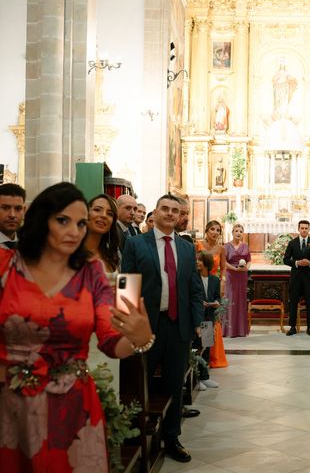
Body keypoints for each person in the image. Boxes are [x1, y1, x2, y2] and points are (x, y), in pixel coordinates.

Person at [0, 182, 153, 471]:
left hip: (70, 404)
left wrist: (139, 338)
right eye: (63, 220)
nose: (74, 231)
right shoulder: (6, 265)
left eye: (80, 223)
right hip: (11, 401)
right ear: (39, 218)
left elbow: (110, 341)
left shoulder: (90, 271)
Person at [121, 193, 205, 463]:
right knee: (139, 383)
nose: (170, 214)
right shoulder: (135, 243)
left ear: (180, 216)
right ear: (155, 212)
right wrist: (127, 324)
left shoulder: (186, 248)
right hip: (146, 326)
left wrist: (195, 323)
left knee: (173, 384)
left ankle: (172, 436)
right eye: (165, 209)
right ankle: (135, 435)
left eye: (175, 210)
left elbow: (194, 288)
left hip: (177, 326)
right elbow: (127, 284)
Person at [196, 220, 228, 367]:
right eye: (212, 229)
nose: (215, 232)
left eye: (218, 230)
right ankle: (198, 359)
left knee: (211, 320)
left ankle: (210, 358)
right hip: (198, 283)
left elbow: (223, 269)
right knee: (199, 319)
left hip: (213, 285)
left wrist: (222, 284)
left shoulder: (221, 249)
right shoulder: (198, 245)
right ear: (206, 230)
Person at [283, 220, 310, 336]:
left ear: (309, 229)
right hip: (296, 276)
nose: (304, 230)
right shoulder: (292, 243)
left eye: (306, 228)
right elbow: (285, 259)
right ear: (298, 229)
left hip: (309, 277)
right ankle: (292, 327)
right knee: (293, 302)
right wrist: (296, 262)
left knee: (309, 302)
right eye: (302, 228)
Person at [195, 251, 221, 389]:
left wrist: (216, 302)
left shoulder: (214, 280)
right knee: (197, 348)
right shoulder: (193, 278)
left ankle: (205, 377)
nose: (197, 262)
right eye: (196, 260)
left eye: (200, 260)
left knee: (206, 347)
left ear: (206, 262)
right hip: (197, 317)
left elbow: (218, 297)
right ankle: (196, 379)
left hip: (208, 316)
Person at [223, 223, 251, 337]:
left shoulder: (245, 246)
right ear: (232, 232)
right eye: (236, 231)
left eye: (240, 231)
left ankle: (240, 330)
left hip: (242, 276)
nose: (238, 233)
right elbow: (223, 262)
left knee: (240, 300)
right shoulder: (226, 246)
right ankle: (228, 330)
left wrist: (246, 268)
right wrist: (234, 268)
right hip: (231, 275)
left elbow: (249, 260)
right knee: (230, 300)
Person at [84, 194, 120, 273]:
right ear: (86, 214)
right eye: (97, 210)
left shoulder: (109, 254)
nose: (104, 215)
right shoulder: (71, 252)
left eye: (109, 214)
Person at [0, 183, 26, 249]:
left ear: (24, 210)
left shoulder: (30, 243)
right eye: (5, 208)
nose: (12, 215)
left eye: (18, 209)